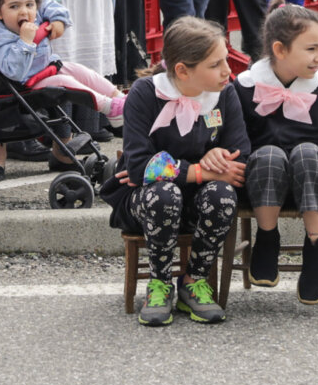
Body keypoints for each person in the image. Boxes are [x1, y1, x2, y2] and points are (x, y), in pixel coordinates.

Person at [105, 17, 246, 326]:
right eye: (216, 64)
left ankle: (193, 281)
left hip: (200, 202)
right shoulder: (145, 93)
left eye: (226, 60)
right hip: (145, 201)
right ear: (183, 70)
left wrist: (216, 153)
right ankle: (159, 283)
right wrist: (202, 170)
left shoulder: (225, 92)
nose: (227, 71)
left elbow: (239, 156)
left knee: (223, 194)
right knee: (163, 193)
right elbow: (140, 167)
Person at [229, 5, 318, 306]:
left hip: (315, 190)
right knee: (269, 154)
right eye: (311, 49)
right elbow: (234, 144)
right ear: (280, 49)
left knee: (308, 152)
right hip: (259, 188)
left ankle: (316, 245)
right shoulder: (244, 87)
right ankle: (267, 237)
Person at [0, 0, 127, 117]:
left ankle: (120, 98)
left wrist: (58, 20)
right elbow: (14, 72)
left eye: (29, 5)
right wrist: (25, 42)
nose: (24, 11)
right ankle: (109, 108)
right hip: (26, 84)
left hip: (48, 68)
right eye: (14, 7)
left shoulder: (37, 10)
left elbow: (51, 6)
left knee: (82, 72)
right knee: (64, 82)